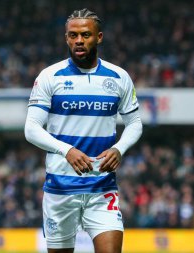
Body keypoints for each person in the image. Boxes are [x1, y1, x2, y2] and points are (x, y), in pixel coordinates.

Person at [25, 8, 142, 253]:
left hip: (102, 188)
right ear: (66, 38)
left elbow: (135, 123)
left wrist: (119, 148)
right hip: (60, 190)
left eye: (86, 35)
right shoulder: (49, 77)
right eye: (73, 35)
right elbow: (31, 129)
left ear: (99, 37)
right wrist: (66, 150)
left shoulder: (118, 77)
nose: (79, 40)